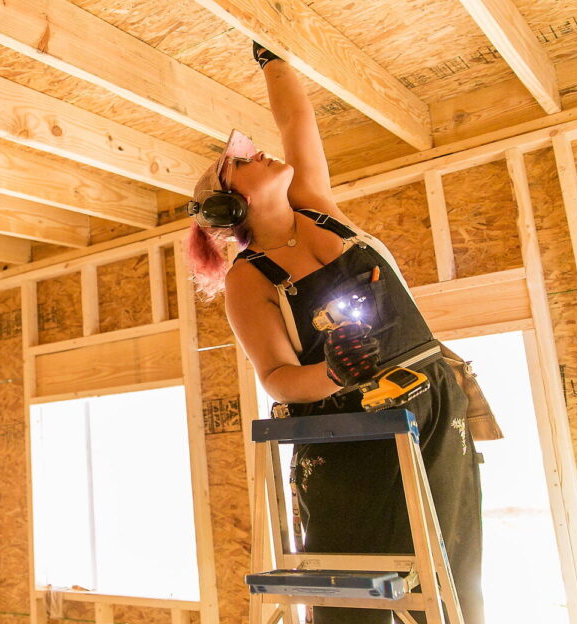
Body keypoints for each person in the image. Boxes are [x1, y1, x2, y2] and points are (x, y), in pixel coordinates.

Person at [184, 44, 484, 623]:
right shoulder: (250, 279)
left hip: (432, 401)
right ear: (230, 202)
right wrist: (334, 371)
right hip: (353, 434)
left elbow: (297, 120)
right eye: (241, 158)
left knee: (453, 579)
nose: (257, 151)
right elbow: (277, 379)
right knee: (354, 601)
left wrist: (272, 58)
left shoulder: (319, 209)